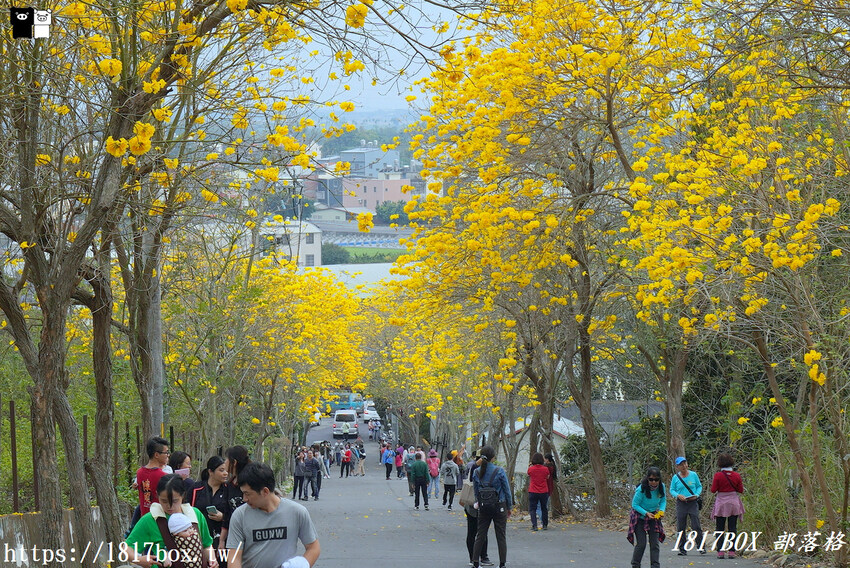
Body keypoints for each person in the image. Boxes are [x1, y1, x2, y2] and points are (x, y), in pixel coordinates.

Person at [225, 462, 320, 568]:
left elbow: (313, 548)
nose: (244, 499)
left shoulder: (297, 512)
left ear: (265, 491)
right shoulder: (240, 516)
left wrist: (302, 564)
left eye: (248, 494)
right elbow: (234, 558)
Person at [123, 474, 218, 568]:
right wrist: (138, 560)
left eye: (175, 501)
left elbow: (206, 544)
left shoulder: (195, 514)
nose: (170, 506)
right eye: (164, 501)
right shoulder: (150, 520)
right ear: (157, 495)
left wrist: (212, 560)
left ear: (183, 495)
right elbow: (126, 548)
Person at [471, 445, 512, 568]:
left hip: (484, 506)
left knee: (480, 535)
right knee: (501, 536)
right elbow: (507, 490)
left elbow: (476, 491)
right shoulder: (499, 471)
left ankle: (475, 562)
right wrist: (509, 506)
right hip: (499, 505)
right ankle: (502, 563)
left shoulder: (476, 472)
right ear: (493, 457)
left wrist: (479, 502)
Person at [190, 455, 232, 564]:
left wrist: (223, 517)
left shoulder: (229, 490)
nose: (225, 473)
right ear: (210, 472)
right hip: (199, 538)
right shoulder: (196, 489)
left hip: (221, 539)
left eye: (226, 470)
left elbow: (234, 513)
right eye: (221, 470)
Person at [628, 466, 667, 568]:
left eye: (656, 480)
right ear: (647, 478)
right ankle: (635, 565)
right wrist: (646, 513)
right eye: (651, 479)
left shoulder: (662, 487)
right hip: (640, 516)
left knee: (655, 543)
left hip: (653, 516)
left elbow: (663, 501)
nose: (654, 482)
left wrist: (661, 510)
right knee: (641, 544)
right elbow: (635, 505)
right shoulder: (641, 489)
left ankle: (655, 565)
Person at [710, 453, 745, 559]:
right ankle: (731, 551)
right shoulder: (736, 475)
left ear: (720, 463)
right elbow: (740, 490)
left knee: (719, 528)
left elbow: (713, 490)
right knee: (732, 528)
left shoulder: (718, 475)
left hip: (721, 503)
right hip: (733, 503)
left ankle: (720, 551)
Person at [670, 456, 705, 555]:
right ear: (677, 467)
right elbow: (672, 490)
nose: (684, 466)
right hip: (681, 503)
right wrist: (678, 495)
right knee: (681, 526)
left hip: (692, 502)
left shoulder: (693, 475)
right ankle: (682, 549)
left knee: (696, 525)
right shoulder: (675, 477)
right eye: (681, 465)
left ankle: (701, 547)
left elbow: (699, 486)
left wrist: (696, 495)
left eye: (685, 463)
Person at [464, 452, 492, 567]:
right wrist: (476, 464)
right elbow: (471, 478)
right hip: (472, 504)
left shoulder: (490, 469)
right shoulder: (473, 467)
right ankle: (473, 557)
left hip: (483, 505)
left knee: (482, 532)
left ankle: (483, 556)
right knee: (473, 532)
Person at [136, 437, 171, 519]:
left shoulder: (139, 472)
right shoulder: (164, 476)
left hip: (145, 518)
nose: (168, 455)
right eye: (166, 452)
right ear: (156, 455)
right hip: (160, 519)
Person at [526, 452, 550, 531]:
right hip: (543, 491)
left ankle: (534, 525)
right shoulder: (545, 469)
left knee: (532, 509)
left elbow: (528, 474)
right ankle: (545, 525)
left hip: (533, 490)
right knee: (544, 508)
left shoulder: (531, 469)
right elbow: (547, 477)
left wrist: (530, 466)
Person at [225, 446, 251, 514]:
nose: (224, 462)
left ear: (234, 462)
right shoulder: (229, 484)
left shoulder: (249, 482)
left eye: (226, 459)